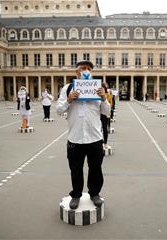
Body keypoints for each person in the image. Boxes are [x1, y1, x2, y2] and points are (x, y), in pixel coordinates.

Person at [57, 60, 110, 210]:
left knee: (95, 168)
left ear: (91, 72)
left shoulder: (98, 88)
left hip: (94, 137)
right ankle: (76, 194)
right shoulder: (67, 88)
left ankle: (94, 193)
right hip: (75, 137)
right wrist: (69, 100)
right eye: (82, 69)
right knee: (75, 169)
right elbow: (59, 110)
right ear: (77, 72)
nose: (85, 71)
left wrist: (104, 98)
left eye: (88, 69)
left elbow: (106, 112)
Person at [100, 83, 113, 150]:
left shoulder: (108, 95)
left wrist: (109, 112)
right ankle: (100, 142)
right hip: (98, 114)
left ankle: (105, 143)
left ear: (104, 89)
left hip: (105, 114)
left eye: (103, 88)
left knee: (105, 129)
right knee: (99, 129)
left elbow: (110, 104)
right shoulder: (97, 95)